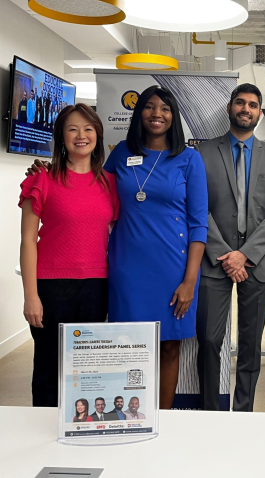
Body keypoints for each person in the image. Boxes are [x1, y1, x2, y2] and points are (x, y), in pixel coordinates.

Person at [104, 85, 208, 410]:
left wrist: (189, 281)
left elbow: (198, 224)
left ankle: (163, 418)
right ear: (140, 113)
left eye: (164, 108)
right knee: (128, 345)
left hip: (173, 269)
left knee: (169, 347)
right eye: (149, 107)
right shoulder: (121, 152)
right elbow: (90, 190)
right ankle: (129, 416)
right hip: (127, 268)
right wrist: (47, 172)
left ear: (173, 116)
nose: (157, 114)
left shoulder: (189, 158)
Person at [196, 83, 265, 412]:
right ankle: (210, 412)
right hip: (213, 262)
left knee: (251, 345)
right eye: (240, 103)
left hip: (258, 264)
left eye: (252, 105)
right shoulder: (202, 154)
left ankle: (244, 410)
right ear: (229, 108)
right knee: (208, 340)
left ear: (259, 114)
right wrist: (226, 255)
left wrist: (244, 255)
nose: (245, 109)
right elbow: (198, 209)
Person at [20, 103, 119, 407]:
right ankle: (45, 440)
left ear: (98, 136)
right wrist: (31, 296)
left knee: (86, 371)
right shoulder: (42, 179)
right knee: (49, 369)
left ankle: (81, 433)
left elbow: (116, 235)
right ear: (61, 136)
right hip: (51, 288)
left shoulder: (110, 183)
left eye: (88, 129)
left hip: (96, 287)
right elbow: (27, 241)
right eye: (72, 129)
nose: (81, 135)